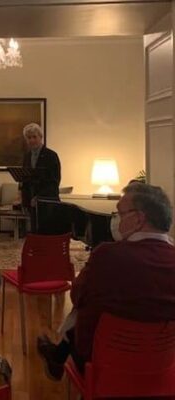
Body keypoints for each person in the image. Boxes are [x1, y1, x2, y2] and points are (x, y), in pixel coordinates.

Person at [37, 182, 175, 380]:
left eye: (120, 214)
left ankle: (59, 355)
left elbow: (76, 296)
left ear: (138, 219)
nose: (116, 220)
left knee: (84, 309)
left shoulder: (107, 255)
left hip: (102, 364)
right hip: (163, 367)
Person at [20, 122, 61, 207]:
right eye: (29, 137)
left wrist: (38, 198)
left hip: (48, 203)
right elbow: (24, 180)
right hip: (30, 204)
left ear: (41, 137)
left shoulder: (51, 155)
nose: (32, 140)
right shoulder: (27, 156)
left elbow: (54, 182)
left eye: (34, 137)